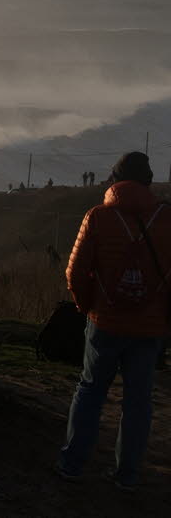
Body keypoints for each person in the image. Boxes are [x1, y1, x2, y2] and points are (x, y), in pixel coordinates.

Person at [56, 151, 170, 490]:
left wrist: (86, 306)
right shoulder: (167, 219)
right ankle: (127, 474)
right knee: (138, 400)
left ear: (114, 179)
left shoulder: (98, 217)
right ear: (148, 179)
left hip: (104, 322)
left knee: (90, 390)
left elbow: (75, 272)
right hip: (150, 327)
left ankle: (72, 464)